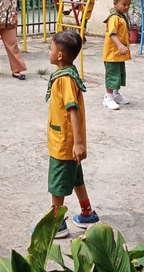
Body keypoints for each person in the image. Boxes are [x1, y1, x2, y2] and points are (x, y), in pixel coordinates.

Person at [45, 30, 99, 238]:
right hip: (67, 140)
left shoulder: (65, 80)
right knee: (76, 177)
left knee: (57, 183)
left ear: (59, 55)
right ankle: (87, 213)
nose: (49, 52)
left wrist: (77, 143)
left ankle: (56, 224)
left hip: (65, 142)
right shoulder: (68, 73)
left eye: (51, 49)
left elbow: (72, 109)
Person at [102, 0, 132, 110]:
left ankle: (115, 94)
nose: (126, 7)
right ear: (115, 3)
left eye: (128, 5)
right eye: (124, 4)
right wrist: (119, 45)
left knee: (119, 75)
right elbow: (112, 34)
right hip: (112, 54)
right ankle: (108, 97)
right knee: (112, 75)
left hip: (118, 55)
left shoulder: (121, 17)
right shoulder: (114, 17)